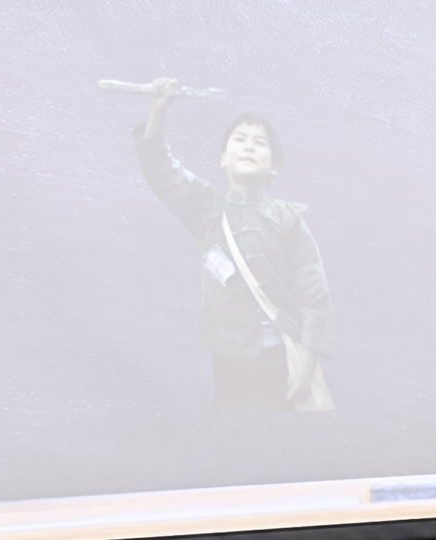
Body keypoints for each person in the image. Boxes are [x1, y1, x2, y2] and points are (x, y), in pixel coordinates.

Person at [134, 78, 333, 410]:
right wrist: (159, 110)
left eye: (260, 142)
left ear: (275, 165)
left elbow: (316, 297)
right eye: (239, 140)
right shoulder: (206, 209)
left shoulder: (288, 219)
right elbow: (160, 168)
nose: (249, 147)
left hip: (281, 361)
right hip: (227, 361)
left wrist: (306, 365)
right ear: (223, 158)